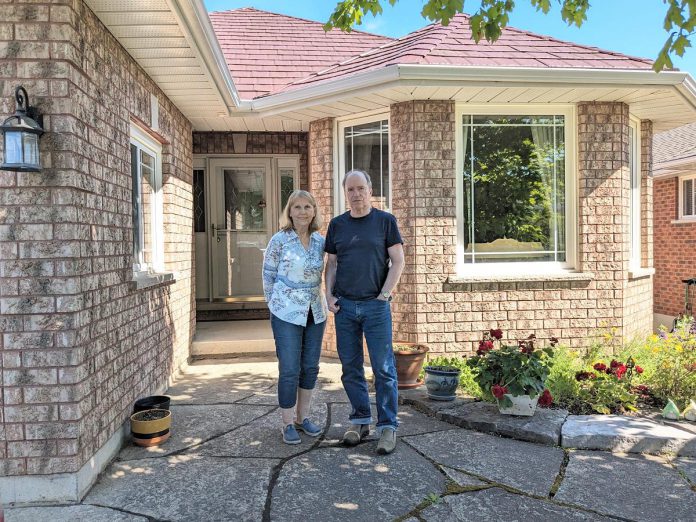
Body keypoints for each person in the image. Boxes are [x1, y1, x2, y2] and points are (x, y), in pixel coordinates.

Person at [324, 170, 405, 455]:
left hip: (375, 306)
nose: (356, 194)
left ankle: (387, 427)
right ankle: (360, 421)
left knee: (383, 368)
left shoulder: (385, 222)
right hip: (345, 307)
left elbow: (397, 262)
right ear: (345, 192)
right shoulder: (337, 225)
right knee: (350, 368)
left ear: (370, 189)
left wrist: (384, 295)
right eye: (351, 189)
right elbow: (332, 264)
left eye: (361, 188)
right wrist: (329, 294)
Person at [262, 190, 327, 445]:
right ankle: (287, 422)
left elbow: (330, 270)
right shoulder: (279, 240)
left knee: (310, 366)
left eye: (307, 206)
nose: (302, 211)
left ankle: (303, 418)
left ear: (314, 211)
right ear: (289, 211)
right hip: (286, 311)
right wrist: (275, 304)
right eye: (297, 207)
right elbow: (267, 276)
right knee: (289, 368)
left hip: (315, 311)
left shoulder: (321, 242)